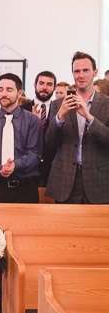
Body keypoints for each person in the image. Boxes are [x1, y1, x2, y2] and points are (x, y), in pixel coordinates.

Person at [46, 51, 109, 204]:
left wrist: (89, 117)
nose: (81, 75)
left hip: (97, 181)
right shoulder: (58, 104)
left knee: (95, 228)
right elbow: (49, 143)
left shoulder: (107, 104)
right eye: (77, 71)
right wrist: (59, 117)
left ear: (95, 72)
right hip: (65, 180)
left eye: (85, 70)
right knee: (63, 227)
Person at [0, 73, 42, 203]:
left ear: (19, 93)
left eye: (9, 90)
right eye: (1, 89)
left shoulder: (32, 121)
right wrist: (0, 168)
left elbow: (35, 154)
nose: (4, 94)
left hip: (25, 189)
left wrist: (15, 165)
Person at [21, 71, 57, 185]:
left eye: (49, 84)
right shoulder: (22, 110)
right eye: (41, 83)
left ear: (54, 87)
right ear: (35, 85)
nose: (44, 87)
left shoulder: (60, 109)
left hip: (52, 168)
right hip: (28, 168)